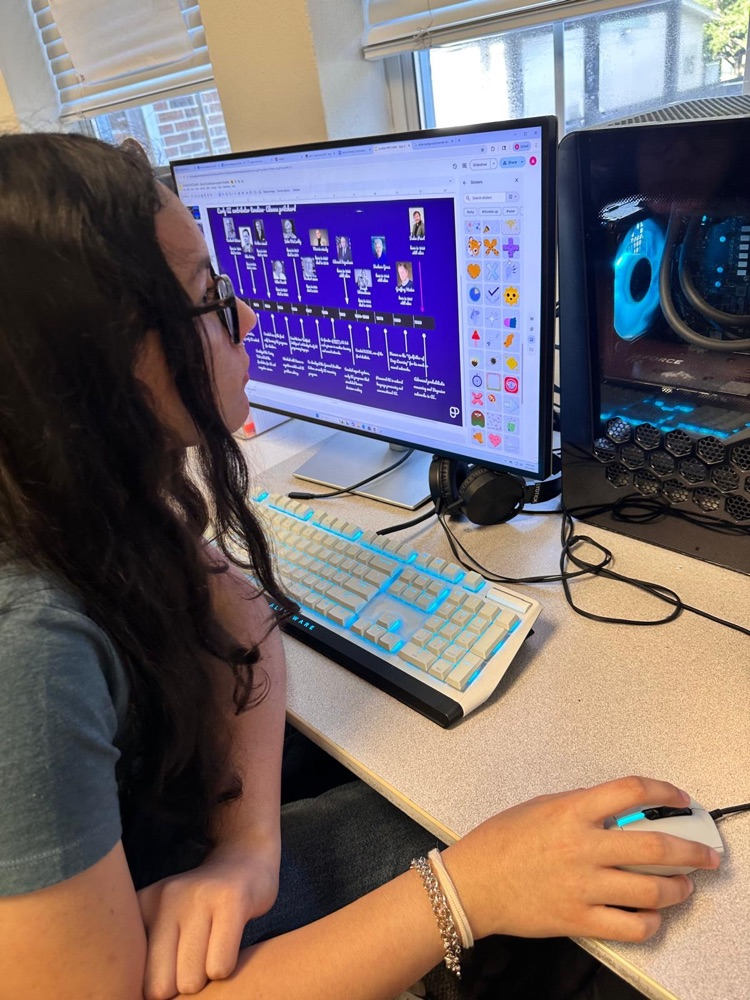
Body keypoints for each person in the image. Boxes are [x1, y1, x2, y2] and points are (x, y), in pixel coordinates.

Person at [0, 133, 719, 1000]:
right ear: (100, 357)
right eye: (207, 297)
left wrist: (248, 852)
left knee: (511, 818)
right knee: (571, 919)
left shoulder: (76, 492)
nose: (250, 319)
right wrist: (468, 890)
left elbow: (234, 610)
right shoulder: (26, 651)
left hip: (166, 873)